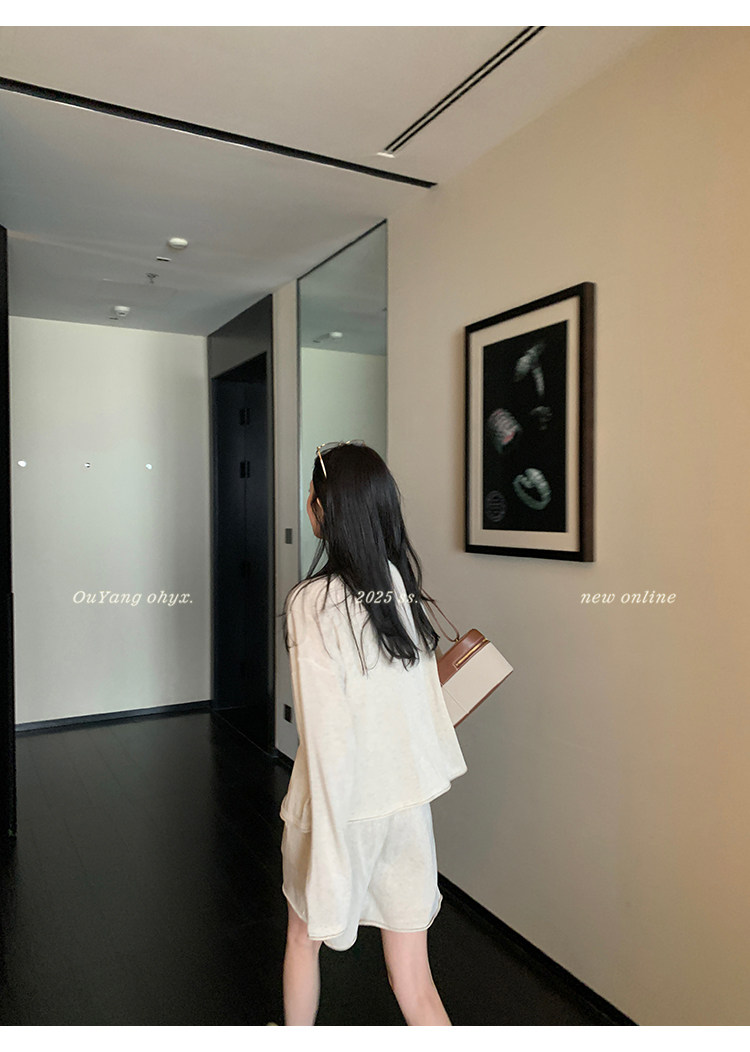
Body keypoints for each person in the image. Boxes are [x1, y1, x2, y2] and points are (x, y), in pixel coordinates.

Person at [278, 441, 468, 1026]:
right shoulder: (395, 587)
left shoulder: (312, 603)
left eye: (312, 497)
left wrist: (332, 847)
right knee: (414, 979)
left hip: (341, 808)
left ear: (323, 510)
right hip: (405, 804)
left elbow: (326, 736)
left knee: (304, 939)